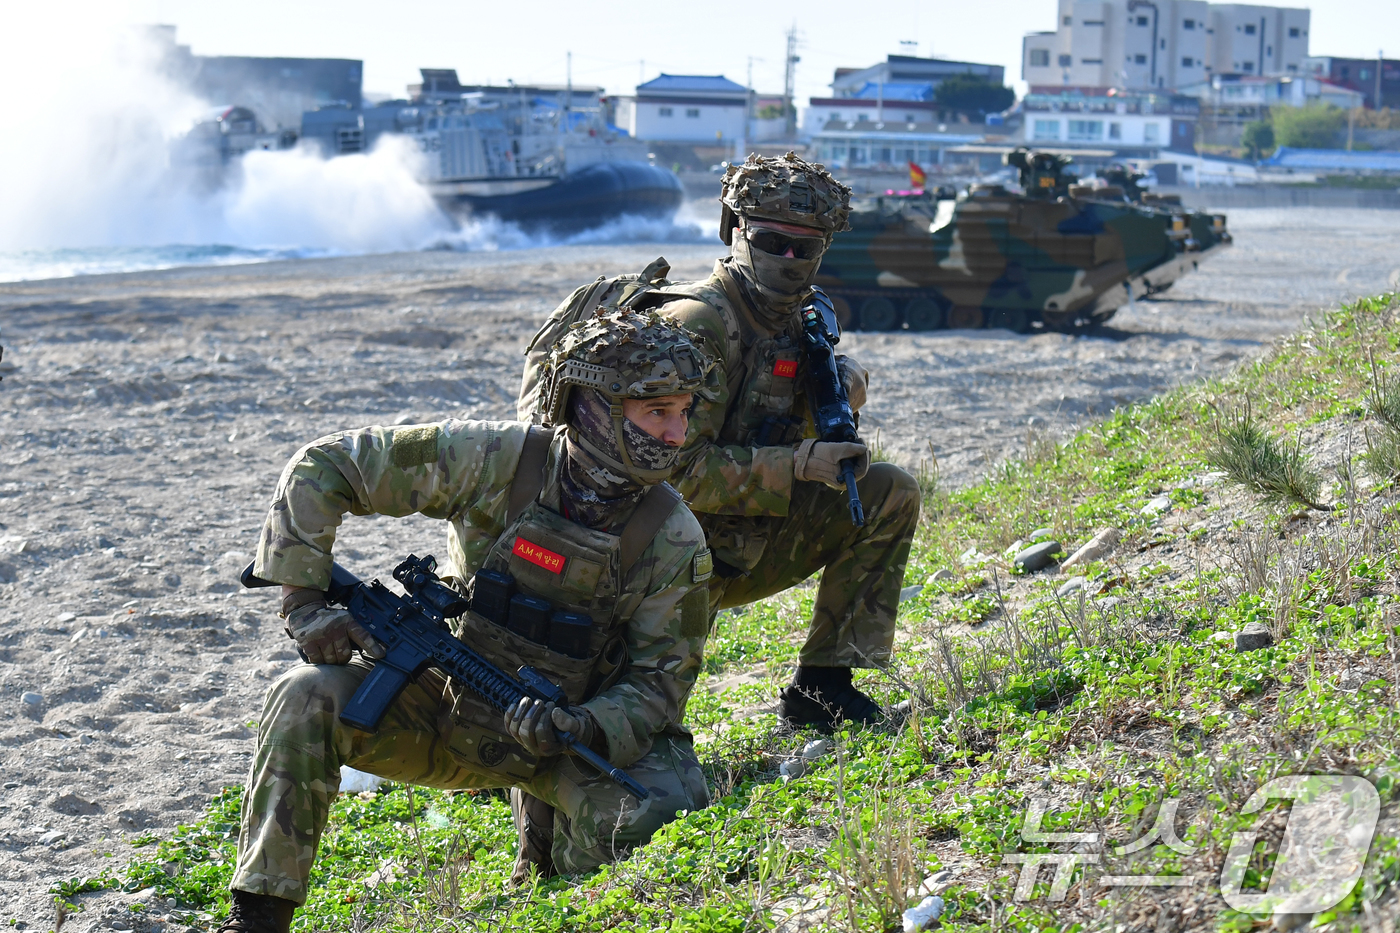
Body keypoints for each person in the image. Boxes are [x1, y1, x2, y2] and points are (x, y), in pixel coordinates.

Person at [219, 309, 718, 933]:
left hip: (567, 740)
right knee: (303, 696)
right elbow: (325, 467)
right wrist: (304, 603)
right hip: (445, 705)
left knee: (654, 810)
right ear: (591, 406)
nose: (676, 435)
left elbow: (659, 683)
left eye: (685, 412)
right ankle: (258, 916)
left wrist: (584, 726)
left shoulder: (671, 536)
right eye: (656, 412)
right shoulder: (494, 461)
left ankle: (550, 883)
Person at [519, 153, 921, 733]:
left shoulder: (797, 318)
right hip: (654, 557)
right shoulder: (696, 325)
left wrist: (839, 381)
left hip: (736, 544)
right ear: (733, 230)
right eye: (772, 241)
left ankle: (825, 686)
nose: (788, 259)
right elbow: (666, 474)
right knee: (623, 735)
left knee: (889, 492)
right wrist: (800, 465)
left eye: (804, 249)